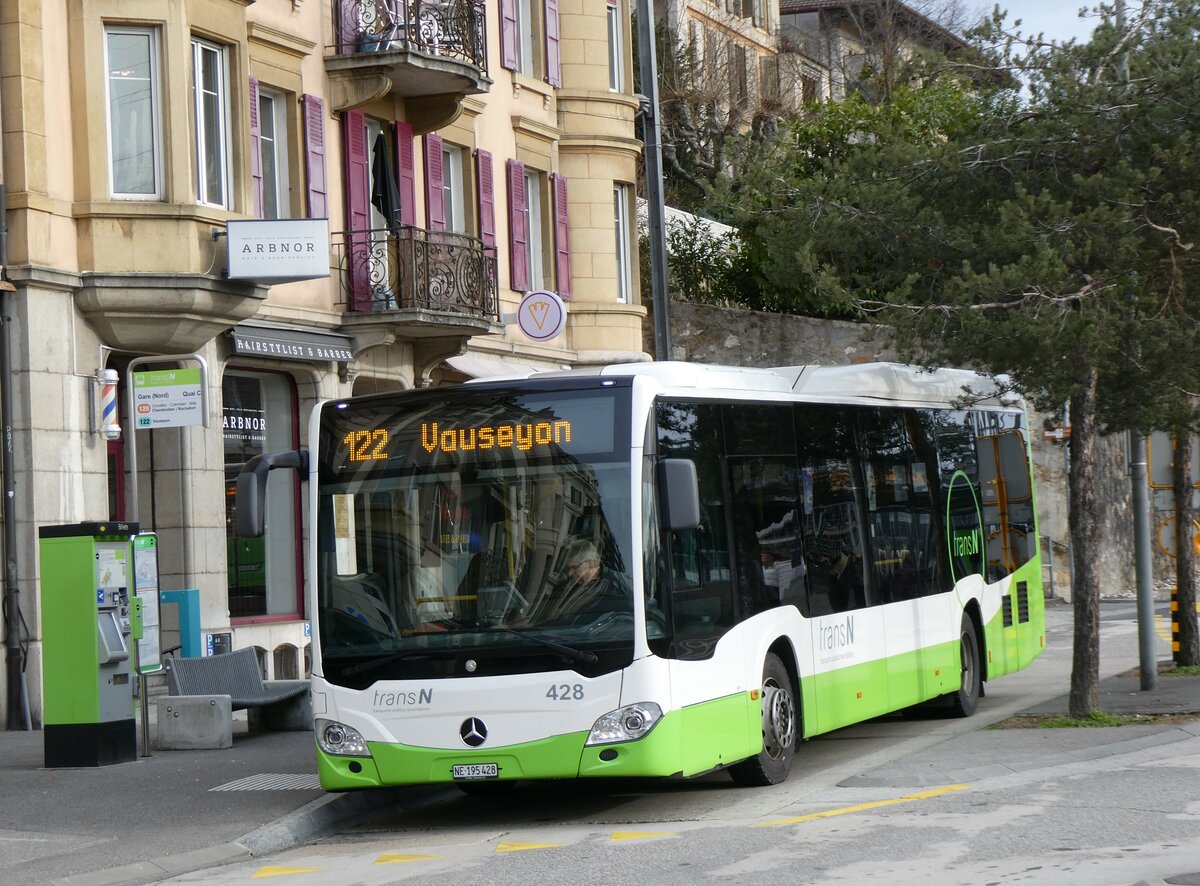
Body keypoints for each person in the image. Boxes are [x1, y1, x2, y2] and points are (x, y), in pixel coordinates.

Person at [548, 539, 631, 623]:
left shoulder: (619, 588)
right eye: (569, 568)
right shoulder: (568, 584)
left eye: (574, 567)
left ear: (591, 564)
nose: (570, 573)